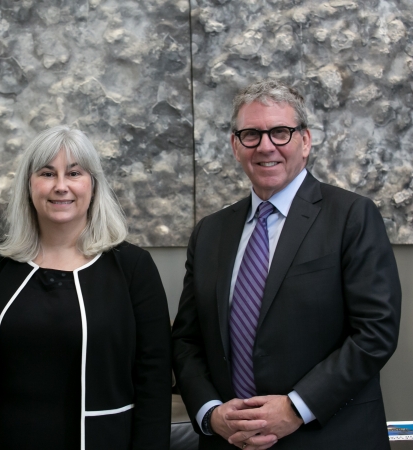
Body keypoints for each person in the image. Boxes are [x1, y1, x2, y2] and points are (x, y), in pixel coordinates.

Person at [172, 80, 401, 450]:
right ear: (235, 145)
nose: (266, 146)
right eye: (251, 134)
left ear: (305, 141)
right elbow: (186, 340)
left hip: (329, 438)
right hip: (229, 442)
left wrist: (296, 408)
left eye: (280, 132)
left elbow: (376, 332)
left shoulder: (351, 216)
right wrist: (211, 413)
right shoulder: (210, 233)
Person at [0, 125, 172, 449]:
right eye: (47, 173)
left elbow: (155, 379)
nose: (60, 186)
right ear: (28, 185)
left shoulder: (133, 268)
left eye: (73, 173)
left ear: (93, 185)